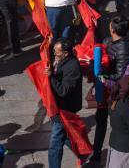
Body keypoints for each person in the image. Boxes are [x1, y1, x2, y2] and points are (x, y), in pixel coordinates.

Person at [47, 37, 84, 168]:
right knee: (68, 135)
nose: (54, 55)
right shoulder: (61, 59)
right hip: (57, 107)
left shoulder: (72, 68)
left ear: (66, 53)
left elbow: (63, 91)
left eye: (57, 52)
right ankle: (84, 152)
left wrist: (51, 77)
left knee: (55, 144)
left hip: (65, 109)